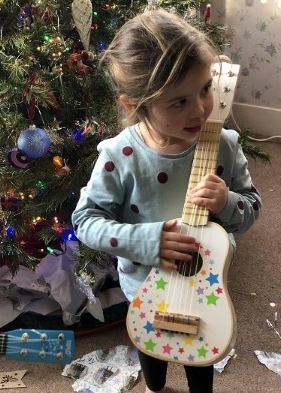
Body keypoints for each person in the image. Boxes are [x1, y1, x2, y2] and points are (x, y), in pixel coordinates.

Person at [72, 8, 261, 393]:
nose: (200, 109)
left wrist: (227, 202)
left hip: (207, 287)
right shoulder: (120, 155)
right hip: (144, 285)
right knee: (151, 349)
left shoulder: (224, 146)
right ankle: (155, 387)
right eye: (178, 102)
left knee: (201, 359)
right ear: (133, 106)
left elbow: (252, 208)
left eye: (205, 89)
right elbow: (86, 220)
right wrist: (147, 242)